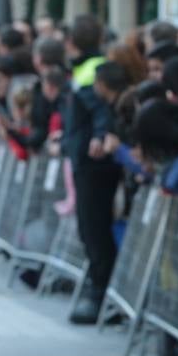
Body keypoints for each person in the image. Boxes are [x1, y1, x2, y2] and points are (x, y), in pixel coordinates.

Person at [64, 60, 128, 324]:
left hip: (94, 170)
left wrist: (99, 136)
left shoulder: (92, 94)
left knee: (95, 231)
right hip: (86, 167)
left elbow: (101, 115)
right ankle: (99, 291)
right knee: (89, 231)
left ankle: (101, 294)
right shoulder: (88, 89)